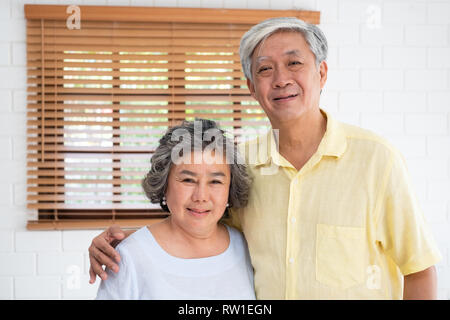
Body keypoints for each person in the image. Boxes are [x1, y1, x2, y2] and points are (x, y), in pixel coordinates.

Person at [89, 17, 442, 300]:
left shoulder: (376, 161)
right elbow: (199, 222)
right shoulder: (241, 165)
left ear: (321, 73)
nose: (281, 79)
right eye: (265, 69)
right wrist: (131, 243)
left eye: (294, 63)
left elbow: (419, 270)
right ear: (250, 86)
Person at [95, 119, 255, 299]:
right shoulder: (129, 256)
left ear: (230, 187)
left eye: (215, 181)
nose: (201, 196)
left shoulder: (246, 247)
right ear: (164, 183)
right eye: (188, 180)